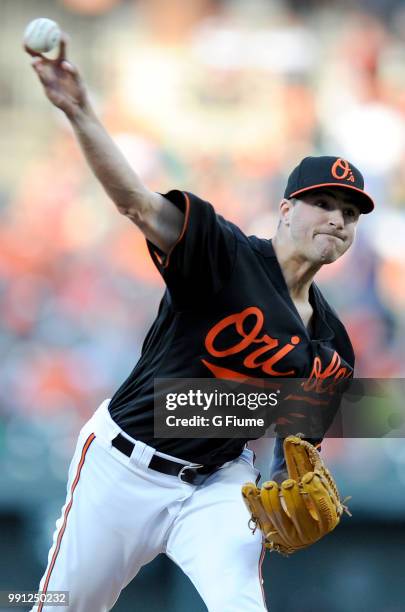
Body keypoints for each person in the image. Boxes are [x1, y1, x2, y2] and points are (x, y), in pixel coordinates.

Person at [25, 37, 374, 612]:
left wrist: (289, 469)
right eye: (324, 203)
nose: (338, 218)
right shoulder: (223, 254)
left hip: (216, 483)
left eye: (350, 212)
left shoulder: (332, 347)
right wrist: (80, 112)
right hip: (124, 467)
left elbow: (298, 445)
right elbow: (136, 204)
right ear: (286, 209)